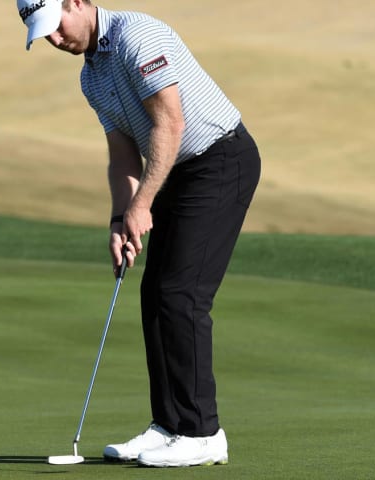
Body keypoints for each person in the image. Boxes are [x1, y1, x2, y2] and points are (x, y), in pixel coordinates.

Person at [16, 0, 261, 468]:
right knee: (156, 292)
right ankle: (169, 426)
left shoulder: (136, 36)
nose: (54, 40)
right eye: (43, 35)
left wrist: (143, 204)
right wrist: (119, 218)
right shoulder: (91, 77)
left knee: (181, 294)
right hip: (177, 171)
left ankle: (202, 433)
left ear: (77, 3)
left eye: (56, 26)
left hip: (219, 160)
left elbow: (171, 122)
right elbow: (123, 156)